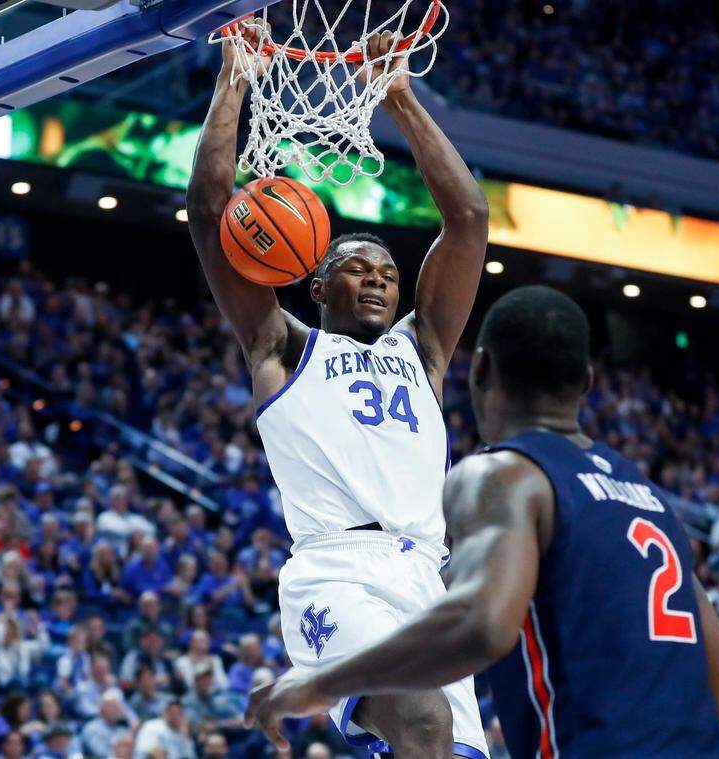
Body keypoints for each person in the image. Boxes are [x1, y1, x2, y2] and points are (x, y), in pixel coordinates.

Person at [243, 286, 719, 757]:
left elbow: (479, 628)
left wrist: (319, 683)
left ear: (479, 370)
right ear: (587, 383)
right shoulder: (649, 501)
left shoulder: (506, 475)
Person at [186, 16, 490, 758]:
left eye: (389, 272)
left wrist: (398, 96)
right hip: (338, 571)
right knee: (421, 724)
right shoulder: (281, 345)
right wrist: (237, 75)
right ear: (317, 280)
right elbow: (209, 208)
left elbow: (469, 218)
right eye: (359, 267)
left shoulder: (422, 349)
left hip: (427, 576)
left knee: (454, 748)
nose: (381, 279)